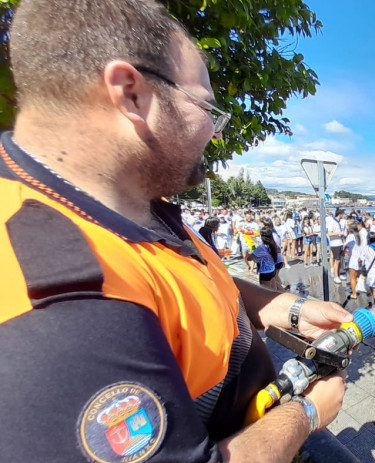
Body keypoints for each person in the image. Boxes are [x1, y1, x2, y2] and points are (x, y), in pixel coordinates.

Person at [1, 1, 352, 460]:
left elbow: (181, 280)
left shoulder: (125, 195)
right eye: (206, 106)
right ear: (130, 93)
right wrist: (306, 414)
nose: (217, 133)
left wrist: (276, 306)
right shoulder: (60, 304)